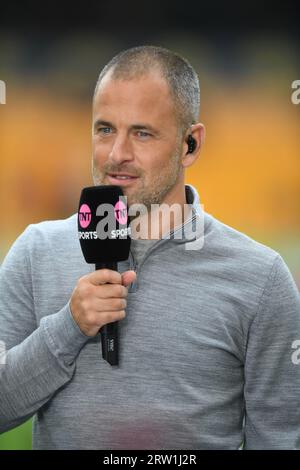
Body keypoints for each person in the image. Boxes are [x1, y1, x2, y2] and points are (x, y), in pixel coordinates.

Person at [0, 45, 299, 450]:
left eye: (142, 133)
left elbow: (281, 439)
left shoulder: (261, 279)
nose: (117, 154)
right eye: (105, 129)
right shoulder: (35, 252)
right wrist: (68, 329)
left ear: (190, 144)